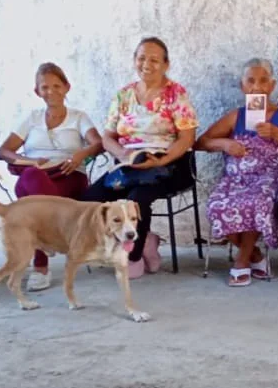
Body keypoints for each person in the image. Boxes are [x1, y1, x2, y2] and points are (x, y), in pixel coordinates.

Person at [82, 37, 199, 278]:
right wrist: (123, 154)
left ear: (166, 64)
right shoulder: (123, 95)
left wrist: (161, 160)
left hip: (169, 166)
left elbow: (187, 138)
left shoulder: (176, 94)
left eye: (154, 60)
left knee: (136, 199)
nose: (147, 64)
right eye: (141, 58)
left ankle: (132, 256)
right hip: (129, 166)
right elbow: (108, 138)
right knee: (89, 201)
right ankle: (145, 241)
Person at [196, 58, 278, 286]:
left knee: (258, 201)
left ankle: (241, 261)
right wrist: (225, 144)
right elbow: (201, 142)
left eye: (263, 81)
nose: (257, 87)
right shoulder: (236, 116)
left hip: (269, 177)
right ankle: (255, 256)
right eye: (251, 81)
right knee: (216, 205)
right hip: (236, 179)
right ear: (242, 86)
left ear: (272, 86)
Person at [0, 62, 103, 291]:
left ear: (66, 87)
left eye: (56, 86)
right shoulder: (32, 118)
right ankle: (47, 243)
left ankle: (41, 264)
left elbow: (98, 144)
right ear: (37, 91)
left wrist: (80, 155)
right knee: (31, 178)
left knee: (29, 201)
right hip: (37, 178)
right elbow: (4, 151)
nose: (51, 91)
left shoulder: (78, 117)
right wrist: (29, 161)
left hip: (68, 176)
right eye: (44, 87)